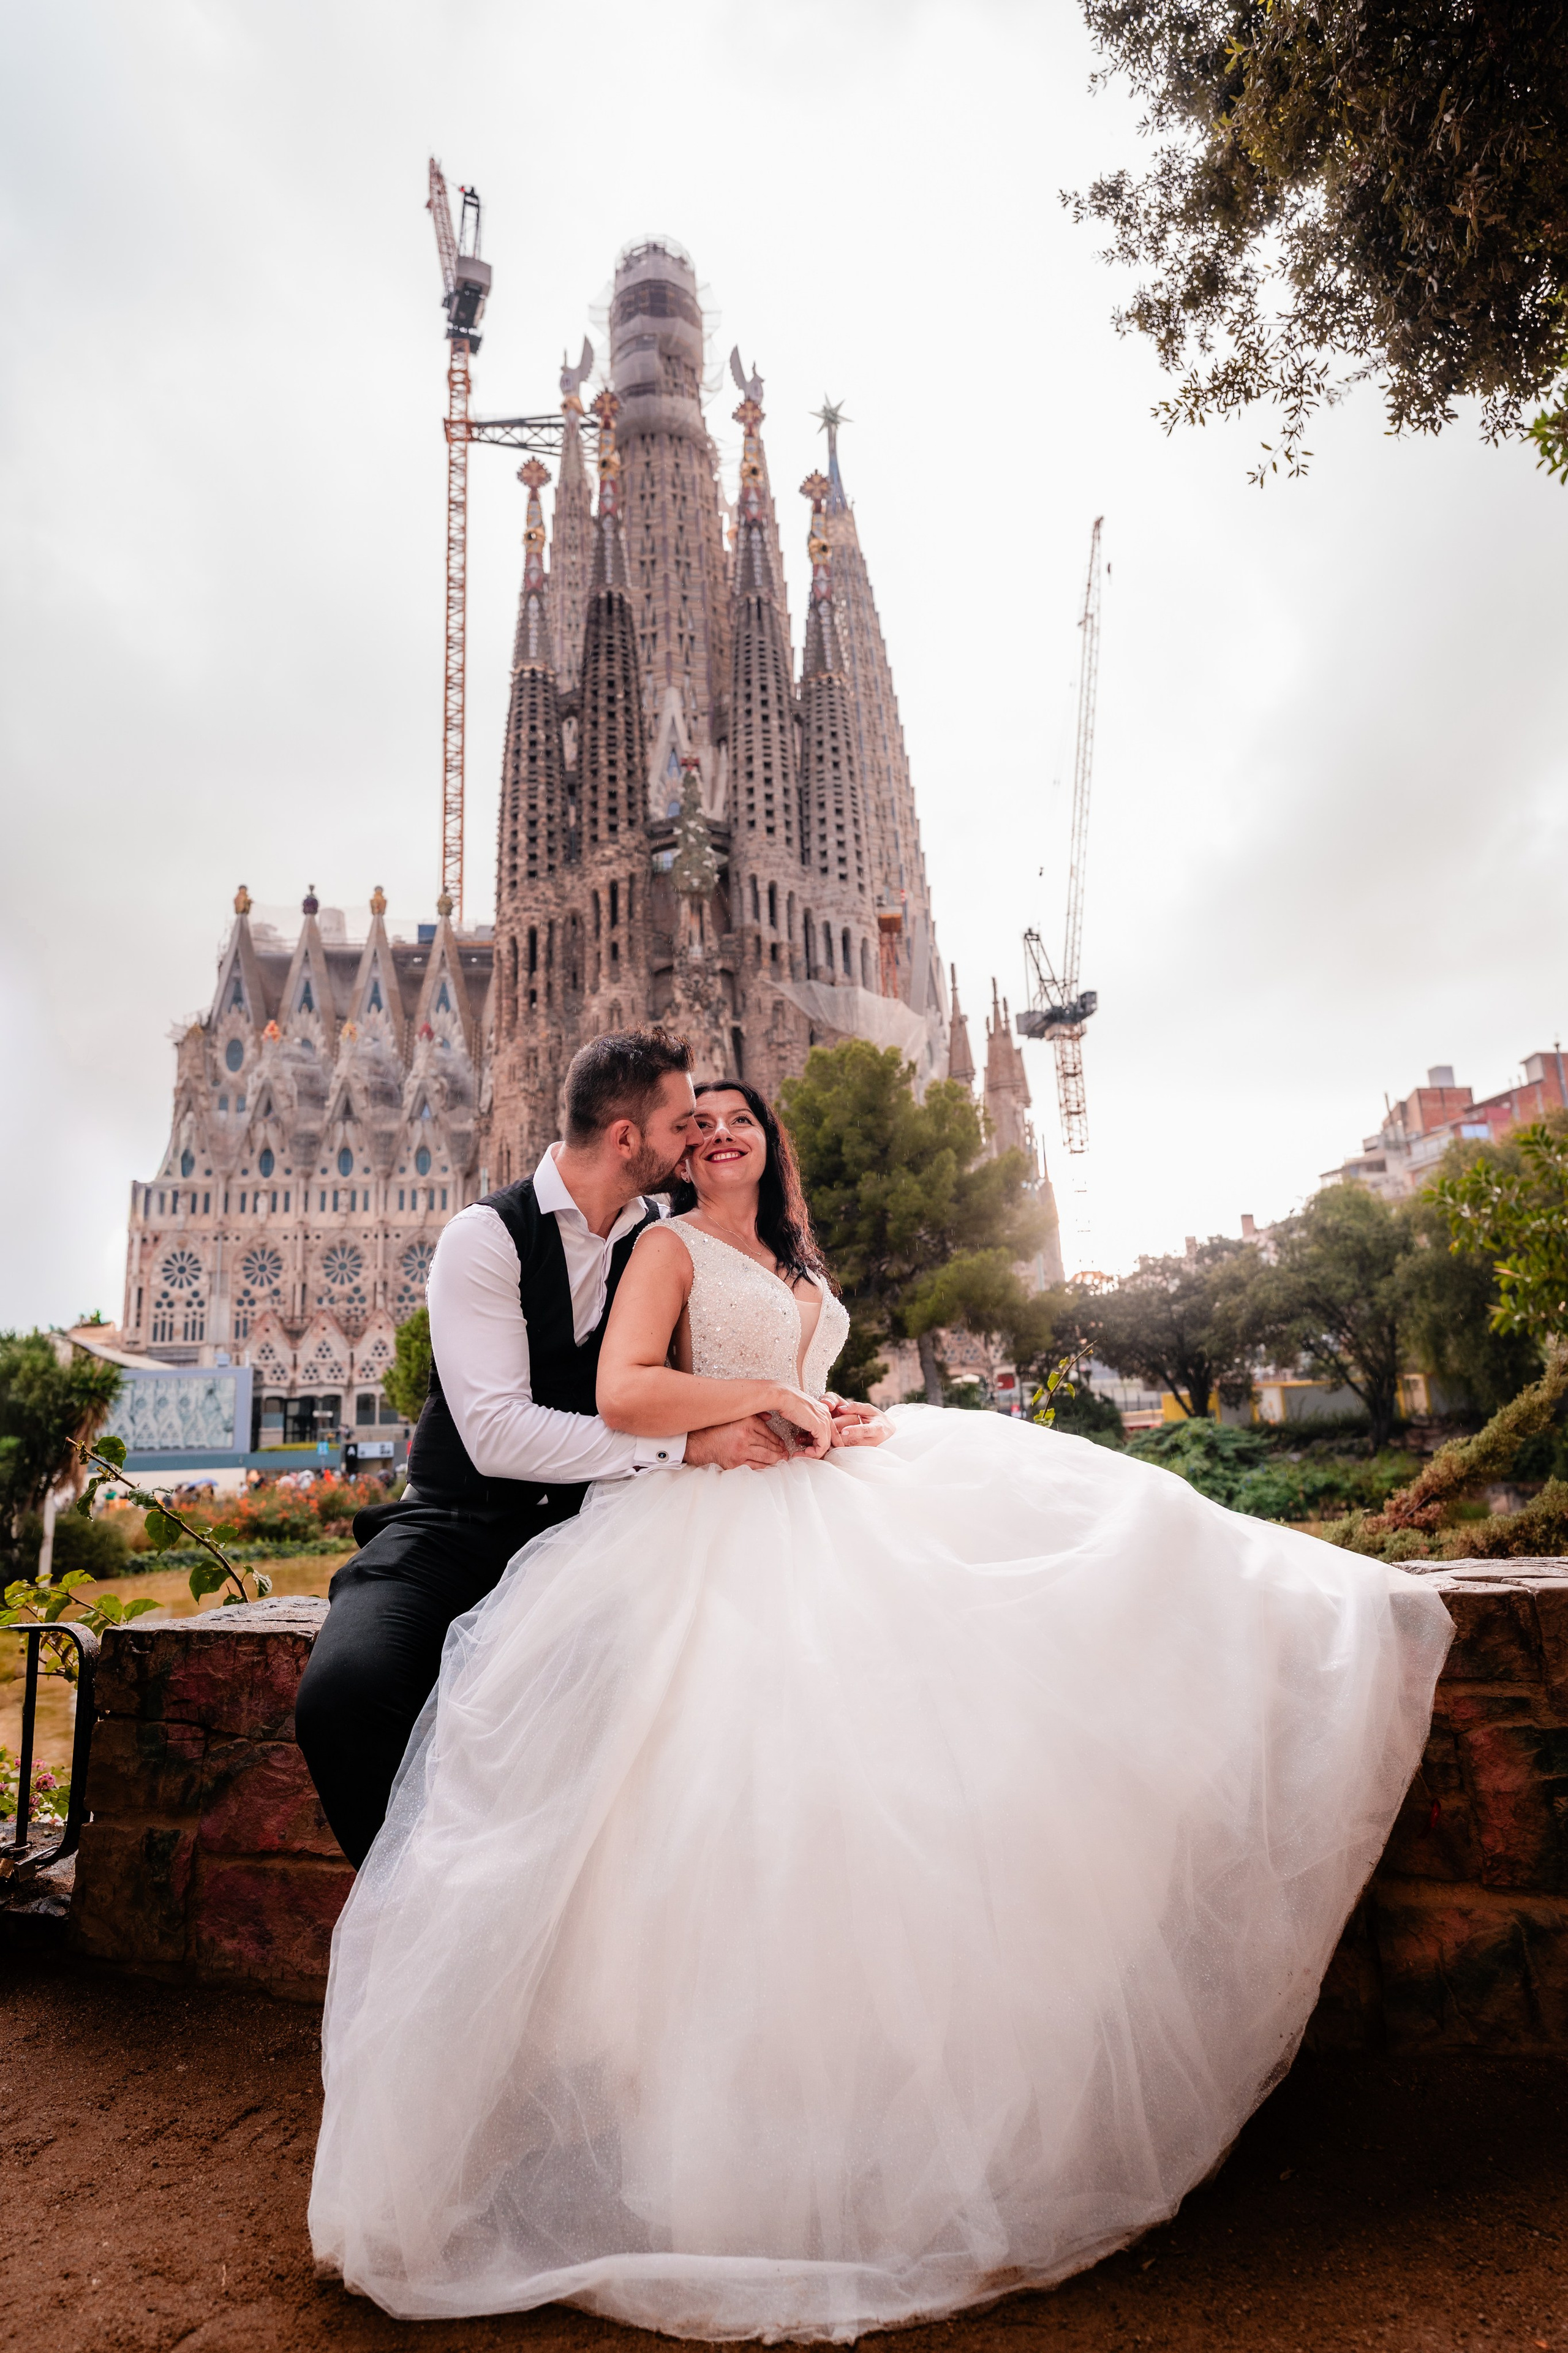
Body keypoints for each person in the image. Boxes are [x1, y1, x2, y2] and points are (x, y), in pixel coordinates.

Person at [309, 1078, 1452, 2342]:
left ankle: (883, 2115)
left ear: (772, 1143)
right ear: (667, 1146)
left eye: (742, 1118)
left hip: (808, 1493)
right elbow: (624, 1393)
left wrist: (820, 1402)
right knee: (738, 1812)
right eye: (702, 1121)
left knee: (1008, 1677)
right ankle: (671, 2118)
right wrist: (751, 1413)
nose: (722, 1131)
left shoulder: (784, 1259)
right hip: (675, 1526)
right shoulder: (654, 1244)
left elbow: (775, 1378)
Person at [295, 1030, 875, 1868]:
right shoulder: (485, 1236)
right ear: (629, 1139)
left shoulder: (667, 1239)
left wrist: (804, 1410)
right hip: (456, 1524)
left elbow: (725, 1358)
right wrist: (684, 1446)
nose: (697, 1143)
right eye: (684, 1125)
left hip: (591, 1521)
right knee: (346, 1694)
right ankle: (418, 1908)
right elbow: (496, 1434)